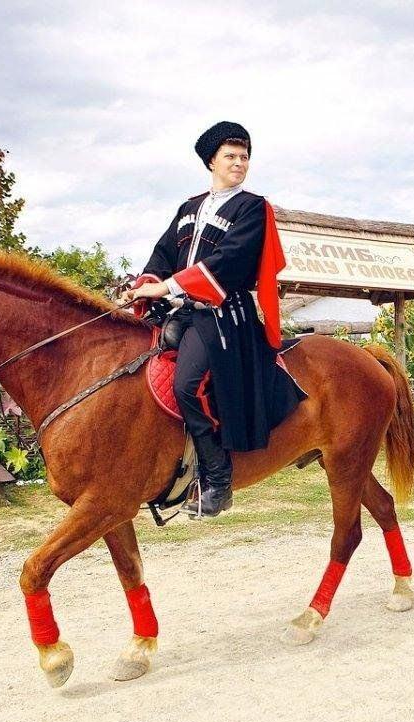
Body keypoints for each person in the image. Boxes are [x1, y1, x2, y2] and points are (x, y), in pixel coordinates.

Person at [121, 121, 305, 516]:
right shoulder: (188, 209)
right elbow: (162, 254)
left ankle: (217, 481)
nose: (239, 164)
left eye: (244, 157)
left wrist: (166, 287)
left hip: (224, 317)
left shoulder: (253, 208)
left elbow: (229, 261)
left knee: (187, 384)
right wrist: (143, 285)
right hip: (183, 313)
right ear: (212, 161)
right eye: (231, 157)